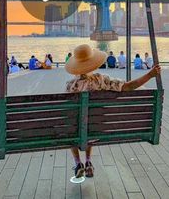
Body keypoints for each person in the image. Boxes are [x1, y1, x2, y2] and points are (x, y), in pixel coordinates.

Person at [65, 44, 161, 179]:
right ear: (93, 63)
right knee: (91, 122)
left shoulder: (70, 86)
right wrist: (150, 75)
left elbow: (70, 113)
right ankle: (88, 161)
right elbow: (128, 86)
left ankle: (78, 163)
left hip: (75, 131)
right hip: (97, 129)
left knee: (75, 126)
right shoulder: (101, 80)